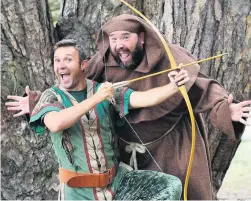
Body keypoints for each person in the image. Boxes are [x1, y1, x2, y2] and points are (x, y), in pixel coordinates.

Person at [6, 15, 251, 200]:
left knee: (178, 188)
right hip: (117, 158)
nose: (119, 45)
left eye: (125, 37)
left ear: (141, 38)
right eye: (113, 39)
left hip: (168, 147)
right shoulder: (102, 65)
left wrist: (220, 108)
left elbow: (188, 90)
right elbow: (63, 95)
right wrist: (34, 102)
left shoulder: (168, 58)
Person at [7, 39, 192, 200]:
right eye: (57, 61)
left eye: (68, 60)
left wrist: (173, 86)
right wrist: (96, 98)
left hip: (117, 184)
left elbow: (145, 98)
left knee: (170, 186)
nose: (61, 65)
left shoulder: (103, 90)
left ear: (83, 64)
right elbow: (55, 124)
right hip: (77, 193)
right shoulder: (51, 96)